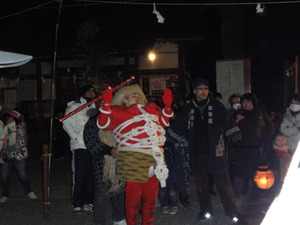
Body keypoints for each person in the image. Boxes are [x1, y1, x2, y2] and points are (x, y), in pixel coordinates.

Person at [167, 78, 247, 224]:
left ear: (208, 90)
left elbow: (228, 121)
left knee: (223, 183)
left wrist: (235, 136)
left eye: (205, 88)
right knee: (201, 184)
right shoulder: (189, 108)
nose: (202, 92)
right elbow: (178, 125)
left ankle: (232, 212)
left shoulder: (217, 106)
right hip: (196, 151)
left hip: (216, 150)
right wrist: (168, 139)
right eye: (199, 89)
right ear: (194, 91)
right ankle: (206, 210)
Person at [97, 84, 173, 225]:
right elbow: (103, 123)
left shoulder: (152, 109)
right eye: (132, 95)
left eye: (138, 95)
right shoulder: (118, 111)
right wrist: (106, 105)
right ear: (124, 100)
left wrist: (167, 106)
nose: (137, 97)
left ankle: (147, 223)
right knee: (133, 200)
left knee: (151, 199)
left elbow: (164, 122)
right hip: (133, 159)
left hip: (156, 159)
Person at [84, 109, 126, 225]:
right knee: (101, 193)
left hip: (120, 162)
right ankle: (99, 221)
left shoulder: (119, 120)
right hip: (101, 163)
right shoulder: (93, 122)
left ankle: (119, 218)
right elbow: (91, 143)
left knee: (119, 191)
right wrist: (109, 150)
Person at [233, 93, 274, 201]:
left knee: (256, 173)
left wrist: (264, 143)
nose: (246, 104)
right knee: (240, 173)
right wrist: (238, 120)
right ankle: (238, 195)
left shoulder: (259, 113)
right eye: (244, 102)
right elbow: (235, 130)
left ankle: (254, 196)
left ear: (253, 102)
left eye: (248, 101)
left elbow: (269, 128)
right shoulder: (240, 114)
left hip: (257, 148)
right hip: (244, 148)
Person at [62, 84, 96, 214]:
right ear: (83, 92)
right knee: (79, 175)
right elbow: (66, 122)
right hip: (80, 146)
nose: (92, 94)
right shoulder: (74, 106)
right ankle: (77, 202)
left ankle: (88, 201)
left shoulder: (94, 107)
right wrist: (75, 137)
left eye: (93, 92)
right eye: (89, 91)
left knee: (91, 175)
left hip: (93, 147)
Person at [0, 110, 37, 203]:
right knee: (4, 176)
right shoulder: (5, 127)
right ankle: (4, 194)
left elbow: (21, 142)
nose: (6, 120)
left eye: (7, 118)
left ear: (13, 118)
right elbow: (3, 142)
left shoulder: (20, 127)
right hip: (7, 156)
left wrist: (10, 154)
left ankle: (29, 191)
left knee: (23, 175)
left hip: (18, 156)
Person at [158, 140, 179, 215]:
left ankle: (174, 205)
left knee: (172, 191)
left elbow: (176, 155)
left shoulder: (170, 143)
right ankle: (164, 206)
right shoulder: (155, 144)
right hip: (159, 171)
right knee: (162, 192)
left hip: (170, 171)